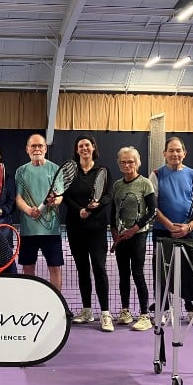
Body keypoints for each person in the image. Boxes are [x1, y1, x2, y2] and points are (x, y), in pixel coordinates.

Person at [149, 136, 193, 327]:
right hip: (163, 233)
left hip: (191, 232)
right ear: (164, 153)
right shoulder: (156, 175)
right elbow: (153, 207)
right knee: (162, 273)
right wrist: (170, 226)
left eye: (178, 150)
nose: (175, 154)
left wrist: (189, 226)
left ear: (184, 153)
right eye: (171, 150)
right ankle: (162, 311)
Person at [62, 134, 114, 331]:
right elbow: (66, 196)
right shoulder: (71, 173)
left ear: (93, 148)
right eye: (80, 146)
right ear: (76, 150)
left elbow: (108, 195)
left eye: (87, 145)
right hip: (75, 228)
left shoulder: (103, 171)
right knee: (82, 269)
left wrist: (96, 206)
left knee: (99, 268)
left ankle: (105, 314)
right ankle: (86, 310)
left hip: (97, 229)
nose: (84, 148)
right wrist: (79, 211)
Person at [110, 146, 157, 332]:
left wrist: (134, 229)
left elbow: (152, 211)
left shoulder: (145, 184)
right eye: (123, 162)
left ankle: (144, 315)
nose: (127, 165)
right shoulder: (117, 185)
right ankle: (125, 311)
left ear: (137, 163)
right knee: (123, 274)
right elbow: (113, 211)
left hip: (138, 236)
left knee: (137, 273)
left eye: (130, 162)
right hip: (121, 237)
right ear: (119, 164)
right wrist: (114, 231)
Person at [14, 133, 64, 291]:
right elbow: (18, 198)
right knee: (28, 269)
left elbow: (59, 196)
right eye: (33, 146)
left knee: (55, 268)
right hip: (28, 231)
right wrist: (29, 210)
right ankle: (31, 301)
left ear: (45, 148)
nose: (37, 149)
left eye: (40, 145)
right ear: (27, 149)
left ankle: (56, 301)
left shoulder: (55, 169)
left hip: (51, 231)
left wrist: (54, 201)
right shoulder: (21, 171)